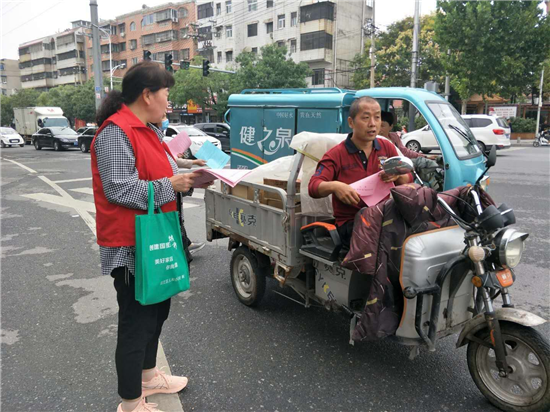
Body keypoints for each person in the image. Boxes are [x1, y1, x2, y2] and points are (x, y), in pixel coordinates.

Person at [92, 61, 203, 412]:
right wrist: (171, 184)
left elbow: (159, 167)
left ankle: (150, 376)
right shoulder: (116, 132)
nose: (169, 102)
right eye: (166, 94)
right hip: (131, 245)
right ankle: (129, 401)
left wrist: (190, 170)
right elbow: (119, 188)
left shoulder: (147, 129)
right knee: (136, 322)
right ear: (147, 95)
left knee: (156, 313)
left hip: (155, 239)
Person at [308, 96, 412, 249]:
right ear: (351, 122)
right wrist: (335, 186)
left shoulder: (386, 147)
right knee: (388, 241)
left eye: (377, 117)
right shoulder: (336, 154)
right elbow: (313, 186)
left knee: (415, 235)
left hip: (384, 217)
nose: (372, 123)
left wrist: (397, 176)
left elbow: (408, 177)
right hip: (352, 224)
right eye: (366, 118)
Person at [158, 113, 206, 255]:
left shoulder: (159, 138)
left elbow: (172, 159)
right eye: (163, 116)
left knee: (177, 220)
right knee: (174, 221)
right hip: (166, 191)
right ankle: (184, 246)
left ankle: (185, 245)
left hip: (171, 192)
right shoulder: (150, 138)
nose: (165, 119)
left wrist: (193, 162)